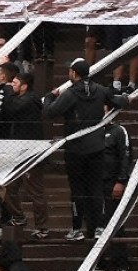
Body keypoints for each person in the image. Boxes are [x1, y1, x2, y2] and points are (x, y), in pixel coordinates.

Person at [46, 59, 108, 240]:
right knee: (96, 188)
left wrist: (50, 97)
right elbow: (118, 100)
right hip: (97, 147)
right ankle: (99, 227)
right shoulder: (101, 90)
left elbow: (50, 112)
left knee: (77, 190)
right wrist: (126, 99)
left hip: (75, 149)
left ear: (73, 73)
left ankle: (76, 228)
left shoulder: (70, 93)